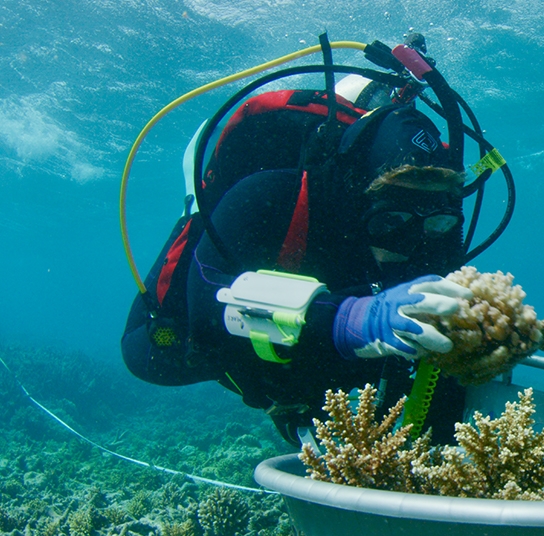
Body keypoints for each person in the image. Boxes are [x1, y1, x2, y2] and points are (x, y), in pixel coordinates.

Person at [121, 43, 499, 445]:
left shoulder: (429, 233)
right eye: (392, 222)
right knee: (159, 355)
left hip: (316, 346)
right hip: (189, 339)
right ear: (355, 192)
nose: (412, 241)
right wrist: (348, 318)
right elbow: (210, 307)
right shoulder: (270, 194)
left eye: (436, 221)